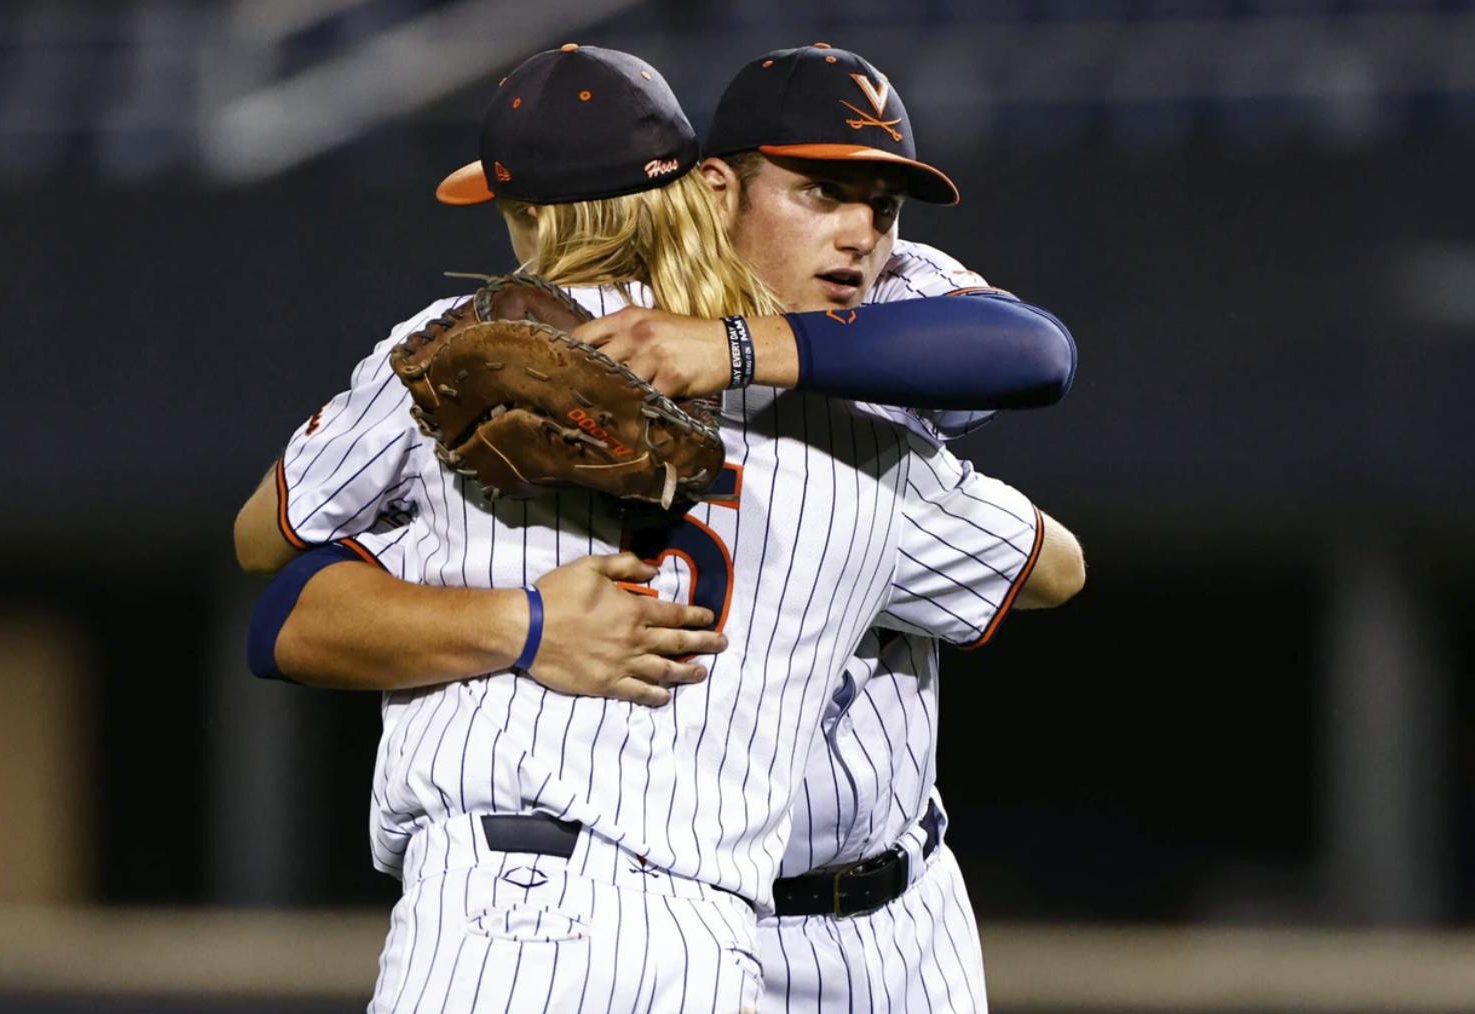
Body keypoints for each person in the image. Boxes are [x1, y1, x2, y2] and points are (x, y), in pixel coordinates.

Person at [237, 44, 1082, 1013]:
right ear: (709, 190)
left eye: (882, 209)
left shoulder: (872, 337)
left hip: (853, 911)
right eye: (819, 193)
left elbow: (1034, 358)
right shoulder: (860, 442)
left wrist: (730, 350)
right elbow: (1049, 559)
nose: (859, 235)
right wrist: (521, 623)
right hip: (699, 915)